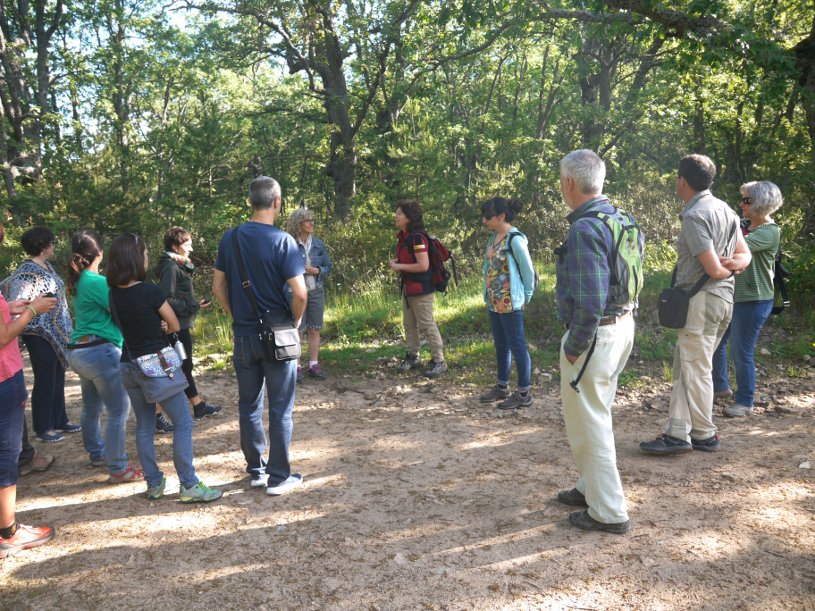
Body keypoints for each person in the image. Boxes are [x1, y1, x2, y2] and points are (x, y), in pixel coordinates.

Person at [554, 150, 643, 534]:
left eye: (560, 180)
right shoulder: (623, 218)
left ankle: (608, 511)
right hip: (623, 325)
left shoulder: (585, 229)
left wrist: (573, 346)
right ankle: (589, 486)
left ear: (569, 183)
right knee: (596, 411)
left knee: (589, 423)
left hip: (596, 334)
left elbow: (589, 303)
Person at [640, 154, 751, 456]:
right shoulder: (726, 210)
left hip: (701, 302)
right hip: (724, 301)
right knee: (687, 365)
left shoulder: (695, 215)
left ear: (682, 181)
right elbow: (746, 254)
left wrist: (727, 268)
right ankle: (677, 432)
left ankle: (704, 433)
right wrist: (736, 266)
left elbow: (713, 268)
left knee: (697, 368)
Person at [108, 233, 222, 503]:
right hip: (156, 365)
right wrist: (163, 325)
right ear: (136, 259)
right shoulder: (150, 291)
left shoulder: (113, 293)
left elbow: (130, 324)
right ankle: (189, 484)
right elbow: (174, 325)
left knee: (145, 425)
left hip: (128, 363)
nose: (147, 257)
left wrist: (154, 324)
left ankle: (154, 482)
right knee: (183, 421)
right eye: (145, 253)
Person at [212, 176, 307, 495]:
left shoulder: (231, 238)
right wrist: (293, 325)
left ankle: (256, 471)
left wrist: (238, 316)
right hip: (279, 336)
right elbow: (301, 294)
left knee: (248, 405)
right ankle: (279, 477)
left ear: (251, 201)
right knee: (280, 408)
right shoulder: (284, 241)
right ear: (277, 202)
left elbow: (218, 288)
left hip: (243, 336)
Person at [66, 230, 143, 483]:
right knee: (118, 409)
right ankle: (118, 467)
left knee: (91, 407)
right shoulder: (96, 282)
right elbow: (121, 310)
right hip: (100, 351)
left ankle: (98, 454)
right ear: (100, 253)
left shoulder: (79, 280)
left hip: (80, 352)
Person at [0, 221, 58, 558]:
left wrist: (12, 309)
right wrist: (33, 310)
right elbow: (4, 338)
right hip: (4, 377)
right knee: (7, 456)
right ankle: (8, 533)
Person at [712, 182, 783, 417]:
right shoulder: (742, 225)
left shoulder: (769, 232)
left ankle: (745, 401)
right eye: (742, 199)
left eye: (747, 200)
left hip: (754, 299)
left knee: (741, 351)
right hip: (733, 296)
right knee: (717, 344)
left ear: (762, 203)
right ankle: (721, 388)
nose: (741, 204)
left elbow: (732, 248)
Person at [1, 226, 77, 443]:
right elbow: (18, 300)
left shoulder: (47, 266)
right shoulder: (27, 271)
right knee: (45, 379)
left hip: (55, 333)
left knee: (57, 375)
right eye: (52, 242)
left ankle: (59, 419)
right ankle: (43, 428)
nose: (54, 245)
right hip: (38, 334)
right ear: (43, 246)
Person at [155, 227, 223, 420]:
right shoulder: (171, 267)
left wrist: (191, 311)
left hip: (180, 323)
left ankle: (197, 406)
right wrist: (191, 308)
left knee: (181, 367)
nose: (191, 249)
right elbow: (167, 299)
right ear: (175, 246)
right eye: (187, 244)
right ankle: (160, 414)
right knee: (180, 367)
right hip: (175, 326)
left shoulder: (178, 265)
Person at [478, 197, 536, 410]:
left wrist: (525, 297)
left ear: (501, 216)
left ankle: (523, 393)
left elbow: (528, 272)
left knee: (518, 346)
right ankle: (503, 387)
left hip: (511, 303)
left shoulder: (515, 239)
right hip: (495, 302)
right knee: (501, 345)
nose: (484, 221)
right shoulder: (495, 236)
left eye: (487, 216)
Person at [389, 199, 447, 378]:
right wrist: (400, 263)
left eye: (399, 213)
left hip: (421, 288)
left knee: (427, 325)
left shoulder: (417, 237)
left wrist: (399, 267)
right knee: (409, 324)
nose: (396, 216)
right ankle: (413, 356)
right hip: (409, 287)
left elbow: (423, 265)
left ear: (409, 217)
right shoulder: (404, 236)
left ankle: (439, 361)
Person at [284, 208, 332, 383]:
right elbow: (280, 268)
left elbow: (328, 266)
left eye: (313, 220)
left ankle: (313, 365)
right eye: (308, 220)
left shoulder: (318, 243)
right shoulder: (288, 243)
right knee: (298, 331)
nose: (312, 223)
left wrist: (317, 270)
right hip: (295, 293)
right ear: (298, 224)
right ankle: (296, 367)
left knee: (314, 329)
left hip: (316, 290)